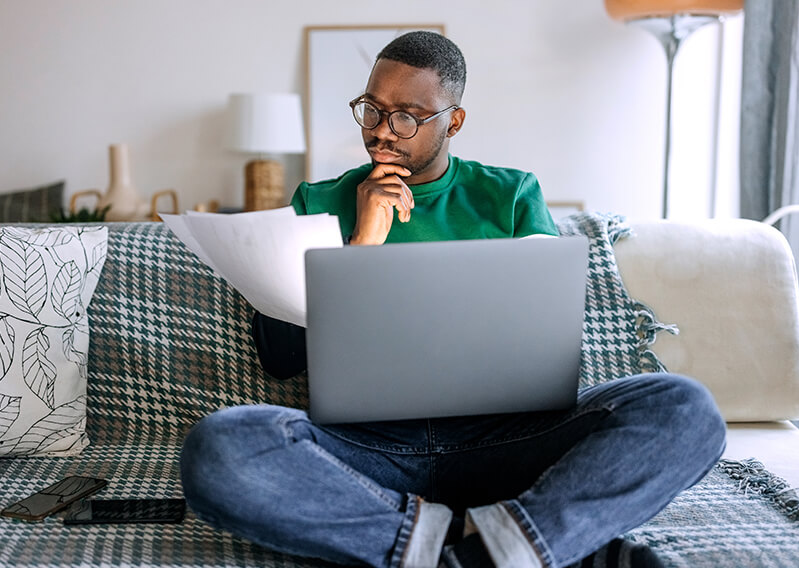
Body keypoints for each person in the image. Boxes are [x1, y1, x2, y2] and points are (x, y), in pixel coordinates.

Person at [180, 31, 726, 568]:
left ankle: (430, 546)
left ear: (453, 121)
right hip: (367, 451)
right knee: (221, 446)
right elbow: (278, 358)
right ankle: (503, 543)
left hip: (509, 441)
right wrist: (361, 245)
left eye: (406, 117)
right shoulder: (318, 200)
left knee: (686, 408)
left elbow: (546, 334)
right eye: (371, 109)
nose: (382, 133)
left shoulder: (510, 195)